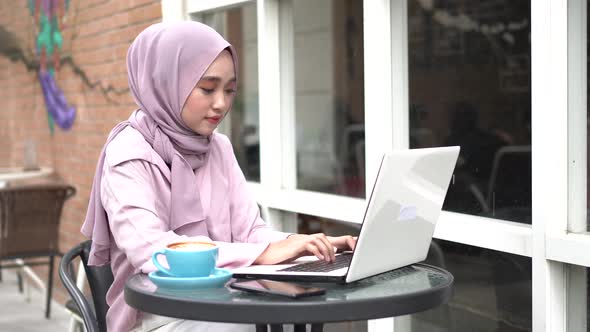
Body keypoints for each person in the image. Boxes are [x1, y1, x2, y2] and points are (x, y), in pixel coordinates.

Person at [81, 21, 357, 332]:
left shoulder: (218, 147)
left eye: (229, 90)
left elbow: (249, 232)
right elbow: (154, 251)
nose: (221, 104)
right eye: (208, 89)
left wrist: (301, 244)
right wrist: (265, 253)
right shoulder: (128, 154)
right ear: (166, 82)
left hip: (228, 299)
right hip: (157, 314)